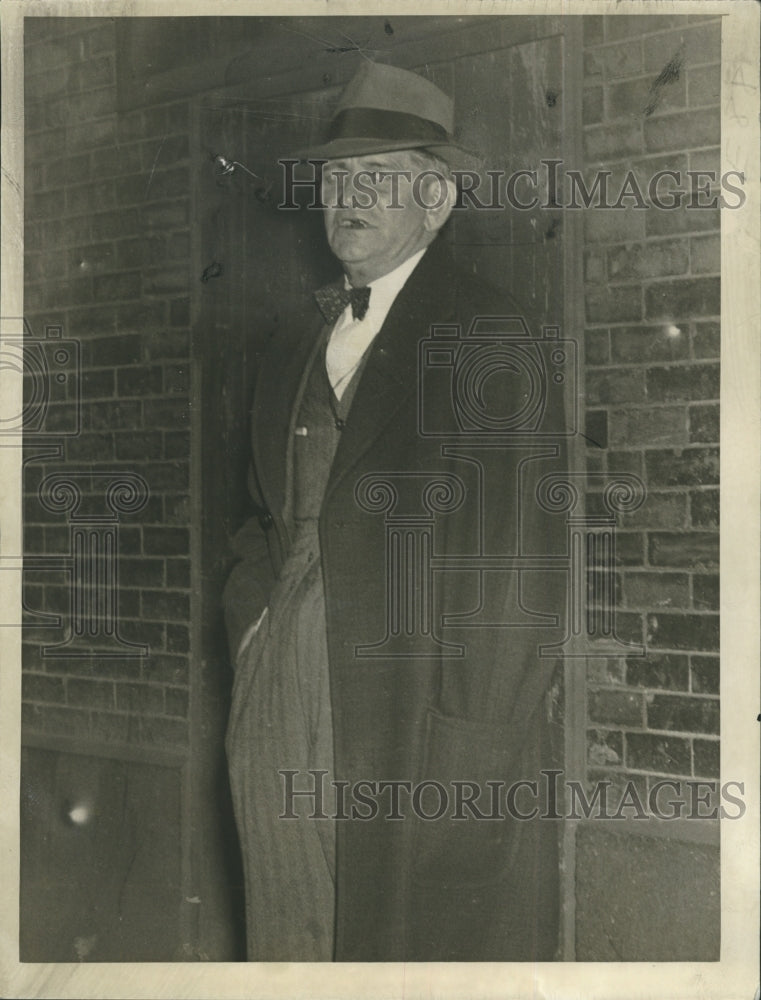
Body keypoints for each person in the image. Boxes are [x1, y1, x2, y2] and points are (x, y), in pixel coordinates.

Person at [223, 61, 567, 962]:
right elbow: (258, 515)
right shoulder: (296, 339)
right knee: (283, 906)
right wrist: (253, 626)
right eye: (336, 177)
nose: (349, 194)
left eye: (377, 175)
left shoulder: (487, 335)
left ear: (436, 202)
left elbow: (516, 564)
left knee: (398, 943)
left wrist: (474, 742)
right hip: (279, 680)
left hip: (407, 701)